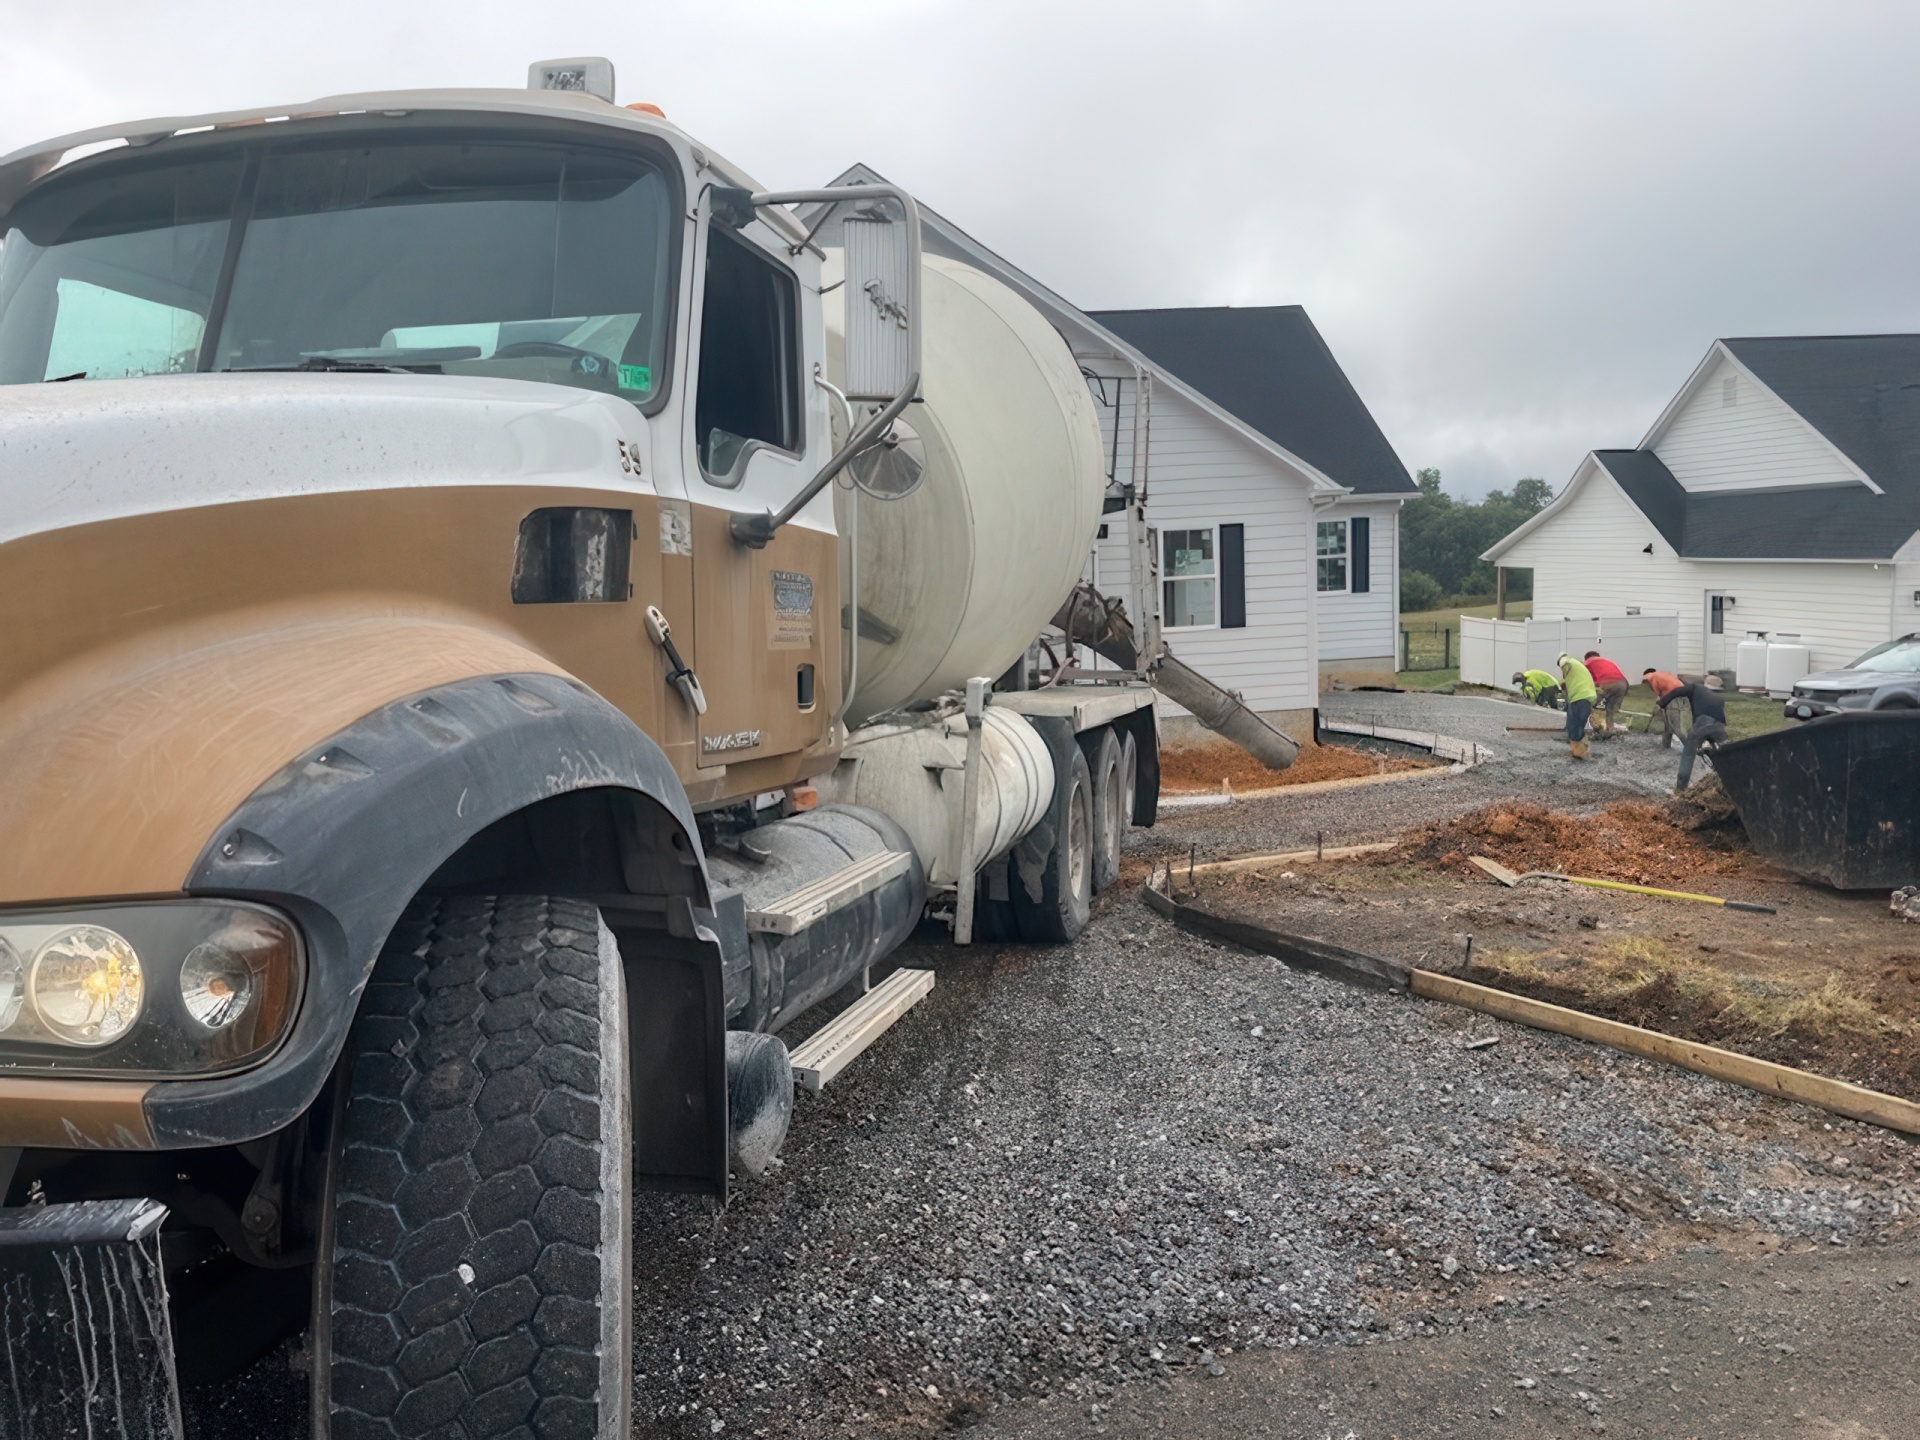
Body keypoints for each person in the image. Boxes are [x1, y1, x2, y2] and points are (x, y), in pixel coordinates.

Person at [1657, 675, 1727, 790]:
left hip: (1702, 723)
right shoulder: (1719, 699)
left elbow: (1677, 692)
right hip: (1720, 726)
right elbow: (1715, 721)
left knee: (1688, 754)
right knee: (1721, 753)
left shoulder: (1695, 688)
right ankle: (1722, 782)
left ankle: (1680, 788)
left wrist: (1662, 702)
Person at [1557, 653, 1597, 760]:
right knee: (1582, 723)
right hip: (1586, 696)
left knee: (1575, 724)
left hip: (1580, 697)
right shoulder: (1577, 667)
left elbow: (1564, 661)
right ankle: (1581, 751)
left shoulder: (1568, 662)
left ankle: (1580, 751)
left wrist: (1562, 663)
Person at [1582, 651, 1629, 735]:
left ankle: (1584, 727)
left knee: (1589, 703)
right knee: (1611, 709)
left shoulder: (1588, 662)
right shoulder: (1608, 661)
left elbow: (1583, 675)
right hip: (1623, 684)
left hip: (1608, 683)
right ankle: (1610, 730)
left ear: (1587, 658)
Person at [1642, 668, 1684, 748]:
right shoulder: (1663, 674)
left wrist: (1657, 706)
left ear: (1646, 674)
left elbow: (1658, 696)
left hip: (1673, 697)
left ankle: (1689, 747)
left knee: (1675, 725)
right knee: (1668, 724)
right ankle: (1666, 745)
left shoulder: (1653, 678)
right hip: (1679, 694)